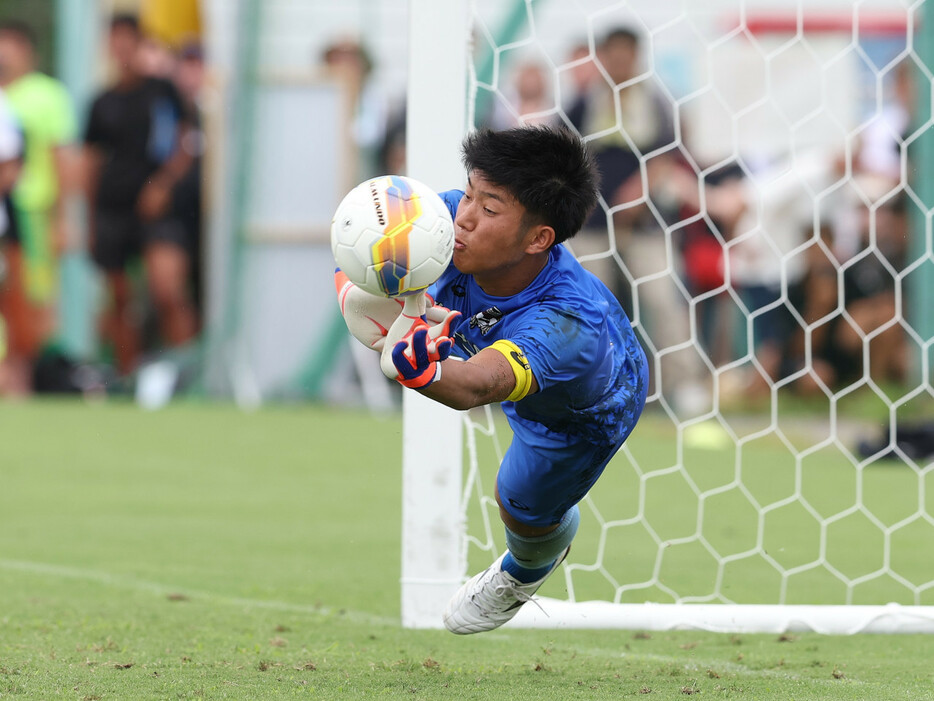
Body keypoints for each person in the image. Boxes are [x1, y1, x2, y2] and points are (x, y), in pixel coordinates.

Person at [336, 126, 649, 634]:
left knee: (518, 502)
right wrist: (351, 289)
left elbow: (476, 387)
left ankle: (523, 574)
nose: (464, 216)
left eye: (489, 209)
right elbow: (358, 239)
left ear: (538, 238)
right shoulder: (443, 219)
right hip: (501, 354)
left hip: (582, 413)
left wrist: (417, 371)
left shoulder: (567, 324)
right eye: (470, 193)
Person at [83, 14, 198, 375]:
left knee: (168, 291)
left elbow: (186, 144)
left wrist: (162, 184)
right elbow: (90, 163)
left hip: (156, 210)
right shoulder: (100, 102)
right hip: (112, 211)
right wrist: (88, 220)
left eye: (127, 40)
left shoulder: (162, 92)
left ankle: (185, 372)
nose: (121, 49)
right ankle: (127, 377)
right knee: (119, 300)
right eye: (114, 41)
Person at [0, 20, 77, 393]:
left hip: (31, 212)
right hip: (8, 213)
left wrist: (63, 218)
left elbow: (60, 157)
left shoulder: (46, 95)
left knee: (30, 304)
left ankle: (26, 381)